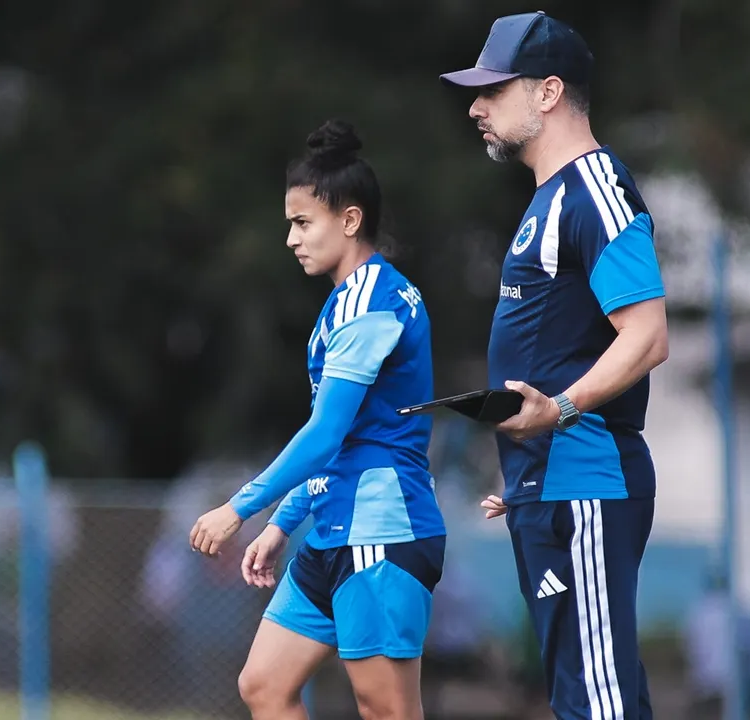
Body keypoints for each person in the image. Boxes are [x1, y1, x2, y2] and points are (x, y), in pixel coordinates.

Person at [441, 12, 670, 720]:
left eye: (493, 90)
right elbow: (556, 348)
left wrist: (560, 412)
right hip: (552, 484)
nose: (476, 107)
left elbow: (647, 335)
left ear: (548, 92)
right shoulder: (549, 198)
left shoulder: (594, 189)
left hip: (586, 480)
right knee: (591, 696)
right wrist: (525, 473)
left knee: (597, 703)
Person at [188, 119, 445, 720]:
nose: (291, 239)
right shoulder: (346, 300)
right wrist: (284, 522)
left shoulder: (371, 302)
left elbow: (326, 434)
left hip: (380, 531)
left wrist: (240, 510)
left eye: (303, 223)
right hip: (334, 527)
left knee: (387, 710)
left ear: (350, 220)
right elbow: (344, 439)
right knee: (265, 686)